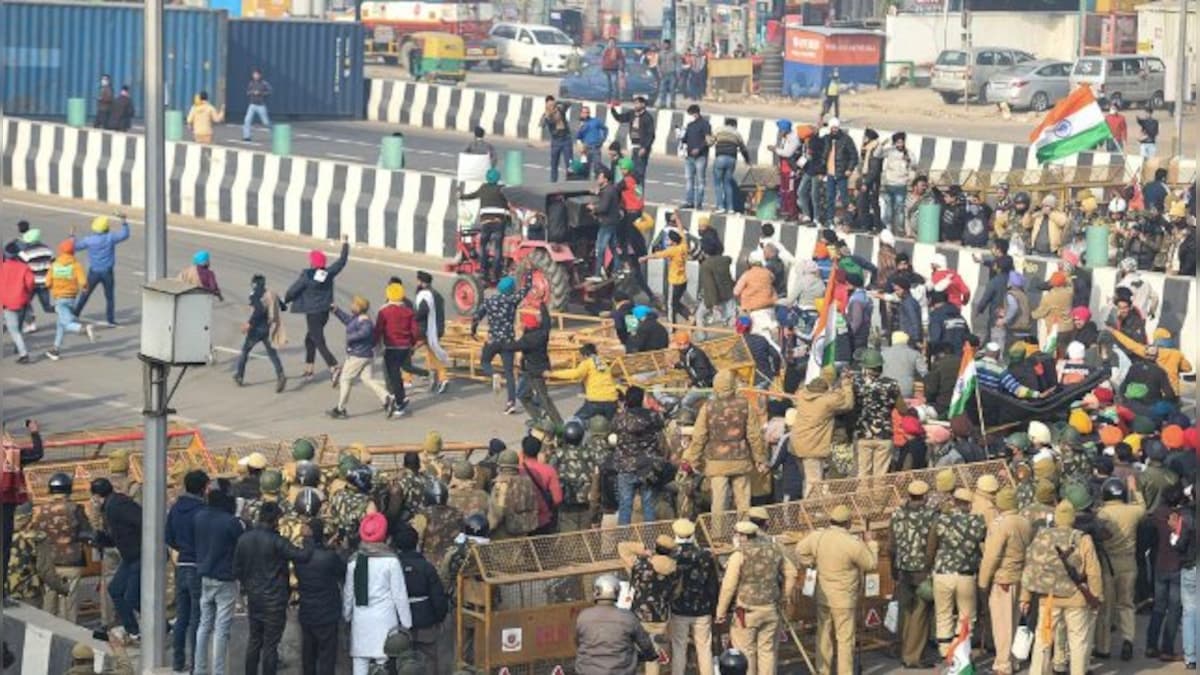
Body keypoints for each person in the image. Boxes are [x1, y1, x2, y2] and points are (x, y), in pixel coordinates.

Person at [1020, 500, 1103, 675]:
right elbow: (1093, 571)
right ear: (1073, 519)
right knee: (1078, 642)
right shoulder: (1082, 538)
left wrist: (1026, 596)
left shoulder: (1042, 536)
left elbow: (1031, 567)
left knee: (1043, 641)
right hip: (1077, 597)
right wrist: (1096, 597)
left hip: (1048, 597)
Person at [795, 505, 879, 675]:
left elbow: (799, 551)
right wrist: (871, 543)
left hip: (823, 596)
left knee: (823, 636)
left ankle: (822, 670)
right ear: (848, 523)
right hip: (844, 598)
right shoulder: (852, 543)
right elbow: (871, 564)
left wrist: (812, 563)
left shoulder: (817, 537)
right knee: (845, 640)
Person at [234, 501, 313, 675]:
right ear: (276, 519)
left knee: (254, 641)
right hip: (275, 599)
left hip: (254, 598)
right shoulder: (277, 541)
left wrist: (248, 586)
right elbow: (303, 556)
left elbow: (237, 569)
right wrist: (307, 537)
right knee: (270, 645)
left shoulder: (244, 539)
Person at [715, 520, 797, 675]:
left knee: (746, 652)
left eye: (738, 535)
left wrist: (721, 611)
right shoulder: (774, 549)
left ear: (743, 536)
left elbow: (728, 586)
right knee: (767, 652)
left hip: (747, 612)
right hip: (771, 608)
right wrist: (783, 598)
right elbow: (791, 573)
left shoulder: (739, 554)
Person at [683, 369, 766, 518]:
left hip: (716, 461)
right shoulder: (744, 405)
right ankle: (744, 533)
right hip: (740, 459)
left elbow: (699, 435)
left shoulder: (708, 407)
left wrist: (694, 459)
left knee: (719, 503)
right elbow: (754, 435)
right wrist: (760, 458)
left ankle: (718, 536)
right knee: (743, 502)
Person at [344, 512, 412, 675]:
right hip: (385, 622)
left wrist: (346, 615)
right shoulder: (391, 561)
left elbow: (349, 593)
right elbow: (399, 595)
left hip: (361, 621)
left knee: (360, 662)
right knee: (385, 663)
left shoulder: (354, 561)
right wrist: (406, 623)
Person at [977, 486, 1032, 675]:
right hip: (1020, 576)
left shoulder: (1000, 524)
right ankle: (1013, 660)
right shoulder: (1026, 523)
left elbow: (991, 556)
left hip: (1002, 579)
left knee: (1002, 624)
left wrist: (983, 582)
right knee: (1014, 621)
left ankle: (1003, 664)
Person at [928, 487, 987, 658]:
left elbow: (932, 545)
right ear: (969, 504)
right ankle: (961, 649)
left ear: (953, 501)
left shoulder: (941, 520)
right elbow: (983, 545)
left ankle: (945, 651)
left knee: (943, 613)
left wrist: (929, 566)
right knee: (966, 616)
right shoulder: (977, 521)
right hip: (965, 574)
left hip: (942, 573)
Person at [192, 485, 244, 675]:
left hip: (204, 576)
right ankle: (218, 671)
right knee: (221, 629)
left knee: (204, 625)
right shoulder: (230, 521)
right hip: (225, 578)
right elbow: (242, 541)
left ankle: (199, 669)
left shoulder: (199, 517)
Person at [285, 238, 350, 382]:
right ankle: (309, 369)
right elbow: (342, 261)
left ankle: (334, 366)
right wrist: (345, 243)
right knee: (309, 339)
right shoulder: (328, 273)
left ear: (313, 262)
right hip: (325, 312)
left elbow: (292, 291)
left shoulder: (307, 276)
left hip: (313, 314)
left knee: (318, 341)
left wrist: (285, 301)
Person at [165, 470, 209, 672]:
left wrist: (182, 548)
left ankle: (178, 661)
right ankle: (195, 663)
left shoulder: (176, 508)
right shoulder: (202, 511)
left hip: (181, 565)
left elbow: (169, 537)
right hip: (198, 566)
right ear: (203, 488)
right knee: (196, 618)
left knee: (181, 618)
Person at [1095, 475, 1143, 661]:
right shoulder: (1134, 512)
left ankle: (1103, 647)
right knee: (1126, 604)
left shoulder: (1101, 514)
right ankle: (1128, 640)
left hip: (1108, 565)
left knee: (1106, 608)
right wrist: (1134, 488)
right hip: (1129, 564)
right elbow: (1142, 506)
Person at [90, 477, 142, 644]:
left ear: (97, 496)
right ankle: (133, 629)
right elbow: (117, 535)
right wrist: (102, 539)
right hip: (130, 556)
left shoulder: (117, 505)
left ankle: (142, 630)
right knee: (116, 590)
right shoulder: (111, 506)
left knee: (131, 597)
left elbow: (141, 521)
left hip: (139, 555)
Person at [891, 480, 936, 667]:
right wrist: (930, 567)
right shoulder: (931, 515)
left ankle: (901, 649)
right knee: (920, 614)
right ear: (924, 496)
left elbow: (891, 544)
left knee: (905, 611)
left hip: (902, 569)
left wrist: (894, 568)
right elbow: (932, 546)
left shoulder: (897, 514)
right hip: (921, 572)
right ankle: (913, 657)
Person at [575, 574, 658, 675]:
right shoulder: (628, 617)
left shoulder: (583, 616)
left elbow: (578, 642)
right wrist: (651, 655)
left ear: (596, 592)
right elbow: (645, 644)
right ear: (617, 593)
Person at [392, 523, 448, 673]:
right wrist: (440, 617)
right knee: (428, 659)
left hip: (399, 625)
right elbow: (438, 597)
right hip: (426, 621)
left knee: (402, 661)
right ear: (417, 542)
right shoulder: (426, 567)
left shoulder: (392, 566)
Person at [617, 536, 677, 675]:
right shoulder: (674, 568)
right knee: (653, 656)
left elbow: (622, 547)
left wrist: (642, 550)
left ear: (656, 547)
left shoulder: (640, 565)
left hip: (639, 618)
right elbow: (676, 592)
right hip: (660, 619)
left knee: (631, 655)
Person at [293, 511, 343, 675]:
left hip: (307, 612)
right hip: (327, 613)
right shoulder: (329, 557)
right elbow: (342, 572)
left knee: (308, 656)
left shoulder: (299, 557)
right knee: (327, 658)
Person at [473, 275, 531, 414]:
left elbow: (476, 317)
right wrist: (529, 273)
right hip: (508, 341)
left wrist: (473, 331)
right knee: (510, 373)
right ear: (511, 289)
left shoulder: (489, 301)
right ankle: (511, 402)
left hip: (493, 340)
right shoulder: (512, 300)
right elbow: (526, 288)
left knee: (485, 362)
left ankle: (493, 374)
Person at [790, 372, 855, 496]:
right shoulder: (826, 402)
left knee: (809, 478)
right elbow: (847, 404)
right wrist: (846, 386)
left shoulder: (802, 396)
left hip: (797, 443)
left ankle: (813, 506)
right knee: (814, 481)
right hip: (812, 445)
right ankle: (812, 509)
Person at [668, 518, 718, 675]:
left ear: (675, 534)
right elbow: (713, 584)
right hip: (702, 609)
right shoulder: (706, 555)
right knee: (704, 648)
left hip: (678, 609)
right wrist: (714, 608)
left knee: (678, 648)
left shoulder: (672, 556)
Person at [38, 472, 89, 622]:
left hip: (49, 564)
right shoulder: (76, 509)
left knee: (49, 603)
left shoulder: (43, 510)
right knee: (68, 605)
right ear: (69, 488)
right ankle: (68, 638)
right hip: (72, 562)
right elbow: (87, 532)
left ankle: (46, 635)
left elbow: (37, 533)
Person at [326, 296, 387, 419]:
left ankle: (340, 409)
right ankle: (387, 397)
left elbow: (366, 332)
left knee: (345, 379)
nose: (351, 306)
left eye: (353, 304)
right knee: (367, 380)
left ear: (359, 307)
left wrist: (351, 337)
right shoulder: (357, 318)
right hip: (365, 355)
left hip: (358, 355)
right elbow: (348, 321)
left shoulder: (365, 321)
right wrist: (336, 311)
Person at [502, 304, 562, 426]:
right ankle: (541, 418)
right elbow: (546, 321)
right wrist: (542, 305)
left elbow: (511, 347)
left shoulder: (528, 339)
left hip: (534, 372)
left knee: (542, 397)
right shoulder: (543, 332)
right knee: (524, 394)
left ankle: (555, 423)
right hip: (536, 368)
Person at [612, 386, 664, 525]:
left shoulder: (619, 418)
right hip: (648, 467)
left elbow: (613, 429)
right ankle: (649, 542)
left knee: (625, 505)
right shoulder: (652, 416)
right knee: (648, 505)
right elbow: (661, 425)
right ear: (641, 399)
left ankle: (623, 543)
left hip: (625, 467)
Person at [851, 349, 905, 478]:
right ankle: (879, 498)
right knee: (880, 476)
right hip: (884, 435)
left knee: (863, 474)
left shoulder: (856, 383)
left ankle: (863, 498)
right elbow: (902, 409)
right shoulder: (892, 384)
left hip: (862, 434)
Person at [66, 215, 127, 328]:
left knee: (85, 293)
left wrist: (72, 235)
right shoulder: (110, 238)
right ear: (106, 228)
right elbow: (124, 235)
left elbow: (75, 247)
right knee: (109, 297)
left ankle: (75, 313)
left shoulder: (90, 240)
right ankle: (110, 319)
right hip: (107, 272)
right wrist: (124, 222)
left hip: (94, 272)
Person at [43, 239, 96, 361]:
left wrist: (53, 287)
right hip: (72, 298)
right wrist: (84, 288)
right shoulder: (76, 265)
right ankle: (55, 349)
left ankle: (83, 329)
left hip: (59, 299)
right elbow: (83, 282)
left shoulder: (54, 265)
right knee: (60, 325)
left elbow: (47, 282)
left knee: (66, 323)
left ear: (60, 251)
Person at [234, 274, 286, 393]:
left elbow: (258, 310)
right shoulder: (271, 293)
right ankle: (281, 375)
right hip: (269, 328)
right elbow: (283, 307)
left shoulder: (255, 295)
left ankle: (239, 376)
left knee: (245, 351)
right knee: (272, 354)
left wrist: (249, 324)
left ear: (254, 284)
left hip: (257, 329)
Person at [548, 342, 619, 421]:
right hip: (612, 401)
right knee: (607, 425)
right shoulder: (603, 362)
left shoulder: (587, 363)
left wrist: (553, 374)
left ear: (585, 355)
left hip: (596, 401)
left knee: (574, 421)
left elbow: (575, 374)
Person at [487, 450, 539, 538]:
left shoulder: (502, 484)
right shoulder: (527, 481)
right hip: (525, 530)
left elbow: (497, 513)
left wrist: (489, 529)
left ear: (500, 466)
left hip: (505, 533)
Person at [519, 434, 563, 535]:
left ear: (523, 451)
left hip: (522, 523)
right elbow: (558, 499)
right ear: (539, 451)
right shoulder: (549, 470)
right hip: (542, 521)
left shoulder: (518, 471)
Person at [644, 230, 690, 323]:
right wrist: (677, 219)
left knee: (670, 305)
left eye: (669, 240)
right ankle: (690, 316)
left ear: (673, 241)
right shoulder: (684, 245)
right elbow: (681, 231)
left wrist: (644, 258)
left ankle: (672, 328)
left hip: (674, 282)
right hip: (683, 280)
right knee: (675, 302)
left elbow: (657, 255)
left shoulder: (672, 250)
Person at [820, 118, 858, 225]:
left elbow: (854, 156)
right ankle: (829, 219)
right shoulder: (826, 139)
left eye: (836, 128)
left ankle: (848, 221)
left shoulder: (846, 139)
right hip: (830, 173)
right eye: (832, 128)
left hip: (841, 173)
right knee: (829, 198)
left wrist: (849, 169)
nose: (834, 130)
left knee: (845, 199)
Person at [611, 96, 656, 185]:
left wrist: (644, 147)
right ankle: (634, 193)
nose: (635, 106)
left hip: (642, 147)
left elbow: (651, 135)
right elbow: (620, 118)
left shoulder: (647, 117)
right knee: (633, 172)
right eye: (634, 103)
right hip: (634, 146)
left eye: (637, 103)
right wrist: (612, 109)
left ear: (643, 104)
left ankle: (639, 194)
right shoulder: (632, 114)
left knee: (640, 172)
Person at [15, 228, 53, 333]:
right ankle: (66, 314)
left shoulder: (24, 253)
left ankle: (30, 324)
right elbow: (52, 264)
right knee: (47, 306)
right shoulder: (48, 250)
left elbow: (19, 268)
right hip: (44, 282)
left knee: (25, 304)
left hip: (30, 283)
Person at [712, 117, 751, 214]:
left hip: (720, 158)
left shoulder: (718, 130)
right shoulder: (737, 133)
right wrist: (747, 160)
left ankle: (720, 206)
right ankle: (730, 208)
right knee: (727, 184)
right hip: (732, 159)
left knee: (718, 183)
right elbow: (743, 149)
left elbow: (710, 142)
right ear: (734, 125)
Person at [681, 104, 711, 209]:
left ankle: (699, 203)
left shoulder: (705, 124)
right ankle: (689, 202)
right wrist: (680, 135)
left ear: (695, 113)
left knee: (700, 181)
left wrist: (699, 149)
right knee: (689, 180)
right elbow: (685, 139)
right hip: (689, 157)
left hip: (701, 157)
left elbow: (708, 140)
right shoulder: (689, 125)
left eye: (690, 114)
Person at [541, 96, 573, 182]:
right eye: (549, 104)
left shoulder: (560, 110)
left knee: (569, 162)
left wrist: (558, 102)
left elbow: (569, 103)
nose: (552, 106)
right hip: (556, 141)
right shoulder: (546, 115)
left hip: (566, 138)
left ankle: (570, 180)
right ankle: (553, 181)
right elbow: (542, 125)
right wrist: (547, 116)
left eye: (552, 104)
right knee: (554, 163)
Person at [576, 106, 609, 176]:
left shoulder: (595, 121)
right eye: (584, 113)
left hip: (595, 147)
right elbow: (578, 137)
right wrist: (580, 128)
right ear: (581, 114)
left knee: (597, 167)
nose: (586, 114)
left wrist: (603, 139)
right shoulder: (581, 124)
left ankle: (599, 182)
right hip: (585, 149)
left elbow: (605, 129)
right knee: (585, 168)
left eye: (587, 112)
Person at [243, 68, 272, 141]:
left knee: (266, 122)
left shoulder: (264, 83)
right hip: (252, 105)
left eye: (256, 74)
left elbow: (270, 92)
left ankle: (274, 133)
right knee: (247, 120)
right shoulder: (251, 83)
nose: (255, 76)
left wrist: (260, 93)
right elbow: (247, 92)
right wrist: (252, 92)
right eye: (254, 74)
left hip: (261, 105)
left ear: (260, 75)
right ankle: (247, 136)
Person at [656, 40, 679, 108]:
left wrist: (678, 72)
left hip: (672, 73)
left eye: (666, 44)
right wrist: (659, 72)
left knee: (672, 89)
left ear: (669, 45)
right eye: (664, 44)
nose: (665, 45)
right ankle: (663, 103)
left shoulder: (674, 53)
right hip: (663, 74)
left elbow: (678, 63)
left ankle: (672, 103)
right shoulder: (660, 53)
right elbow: (658, 63)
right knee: (663, 89)